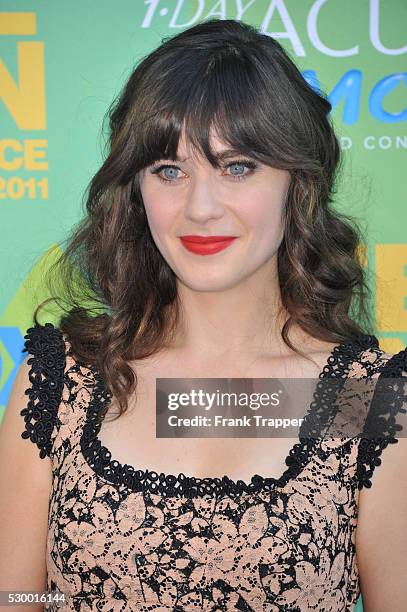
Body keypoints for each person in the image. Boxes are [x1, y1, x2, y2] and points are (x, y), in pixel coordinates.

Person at [0, 18, 406, 612]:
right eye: (170, 170)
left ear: (298, 184)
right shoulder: (63, 380)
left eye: (237, 166)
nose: (201, 206)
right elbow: (15, 594)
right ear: (136, 188)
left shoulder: (361, 397)